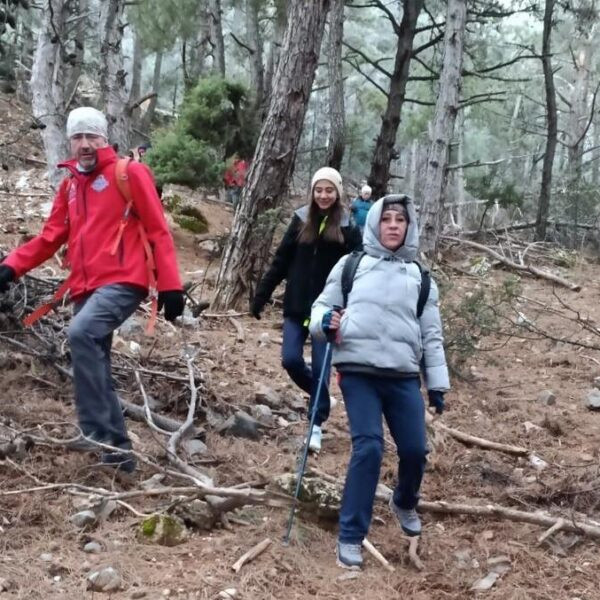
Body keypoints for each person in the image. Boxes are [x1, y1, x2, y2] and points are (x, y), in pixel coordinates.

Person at [0, 107, 185, 473]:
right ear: (69, 141)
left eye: (91, 137)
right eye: (77, 137)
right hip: (85, 286)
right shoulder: (70, 185)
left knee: (81, 333)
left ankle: (103, 437)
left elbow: (158, 229)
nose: (84, 144)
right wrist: (10, 266)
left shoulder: (128, 173)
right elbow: (51, 237)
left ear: (104, 138)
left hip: (124, 279)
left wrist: (170, 286)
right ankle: (115, 453)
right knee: (91, 355)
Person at [309, 194, 450, 569]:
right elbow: (320, 308)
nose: (392, 225)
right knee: (369, 448)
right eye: (385, 218)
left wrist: (436, 383)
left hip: (403, 376)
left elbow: (431, 335)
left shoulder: (421, 278)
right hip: (357, 372)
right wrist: (325, 323)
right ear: (374, 223)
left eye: (399, 220)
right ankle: (351, 535)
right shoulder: (351, 265)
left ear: (409, 227)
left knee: (416, 451)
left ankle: (404, 500)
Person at [251, 167, 362, 453]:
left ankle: (315, 426)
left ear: (337, 193)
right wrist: (261, 295)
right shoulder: (300, 220)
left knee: (322, 366)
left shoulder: (349, 228)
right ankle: (322, 397)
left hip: (328, 311)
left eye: (329, 190)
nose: (323, 195)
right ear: (312, 192)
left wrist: (353, 306)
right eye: (318, 190)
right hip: (297, 305)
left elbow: (359, 270)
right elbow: (281, 260)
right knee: (290, 359)